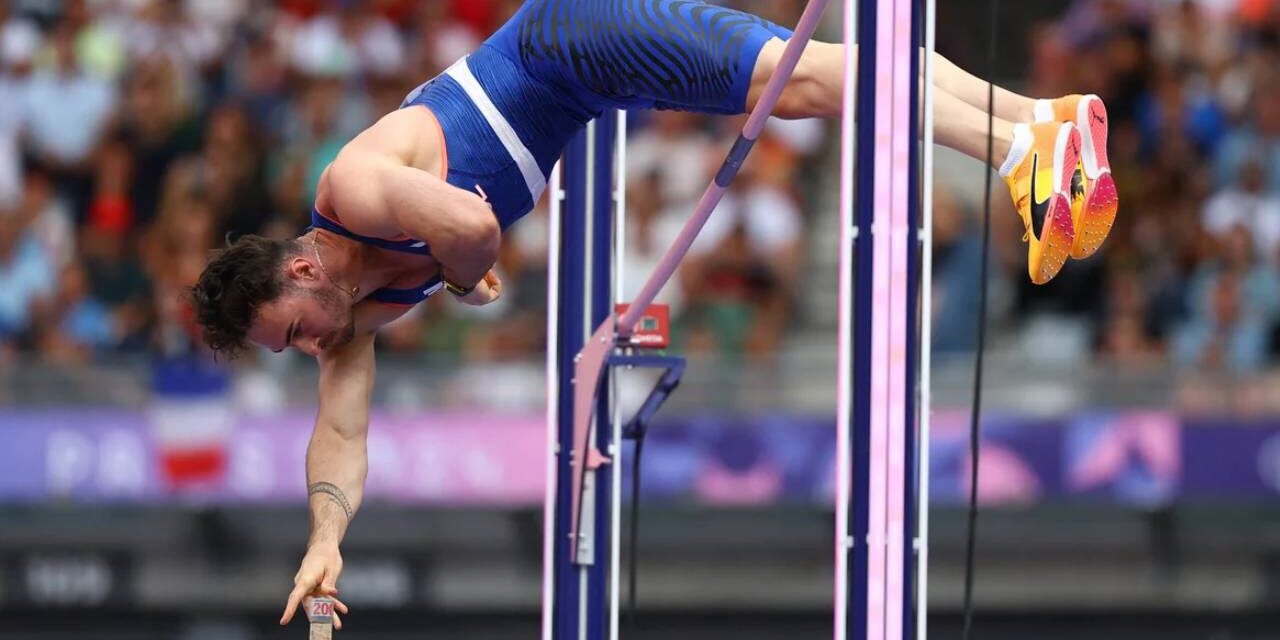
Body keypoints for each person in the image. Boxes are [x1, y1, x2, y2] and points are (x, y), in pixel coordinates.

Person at [186, 0, 1118, 629]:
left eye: (296, 327)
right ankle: (1044, 123)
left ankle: (1021, 147)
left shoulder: (351, 187)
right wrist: (324, 541)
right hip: (582, 85)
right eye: (295, 348)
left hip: (566, 39)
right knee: (815, 80)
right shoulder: (356, 310)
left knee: (796, 87)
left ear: (303, 265)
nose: (314, 345)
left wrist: (470, 279)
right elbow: (340, 431)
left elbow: (470, 225)